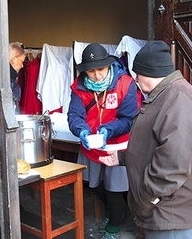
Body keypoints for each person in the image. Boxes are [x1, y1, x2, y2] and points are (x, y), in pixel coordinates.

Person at [99, 40, 192, 239]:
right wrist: (123, 157)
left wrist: (146, 199)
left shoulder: (178, 98)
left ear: (150, 72)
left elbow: (173, 164)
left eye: (137, 74)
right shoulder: (165, 95)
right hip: (162, 211)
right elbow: (155, 144)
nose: (136, 79)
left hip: (170, 214)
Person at [67, 43, 140, 239]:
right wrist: (81, 130)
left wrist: (109, 129)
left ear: (109, 66)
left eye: (101, 69)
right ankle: (117, 215)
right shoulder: (78, 87)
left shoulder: (125, 84)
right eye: (91, 71)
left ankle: (115, 227)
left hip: (117, 145)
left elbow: (128, 119)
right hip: (92, 145)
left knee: (114, 188)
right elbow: (75, 115)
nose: (97, 75)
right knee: (95, 185)